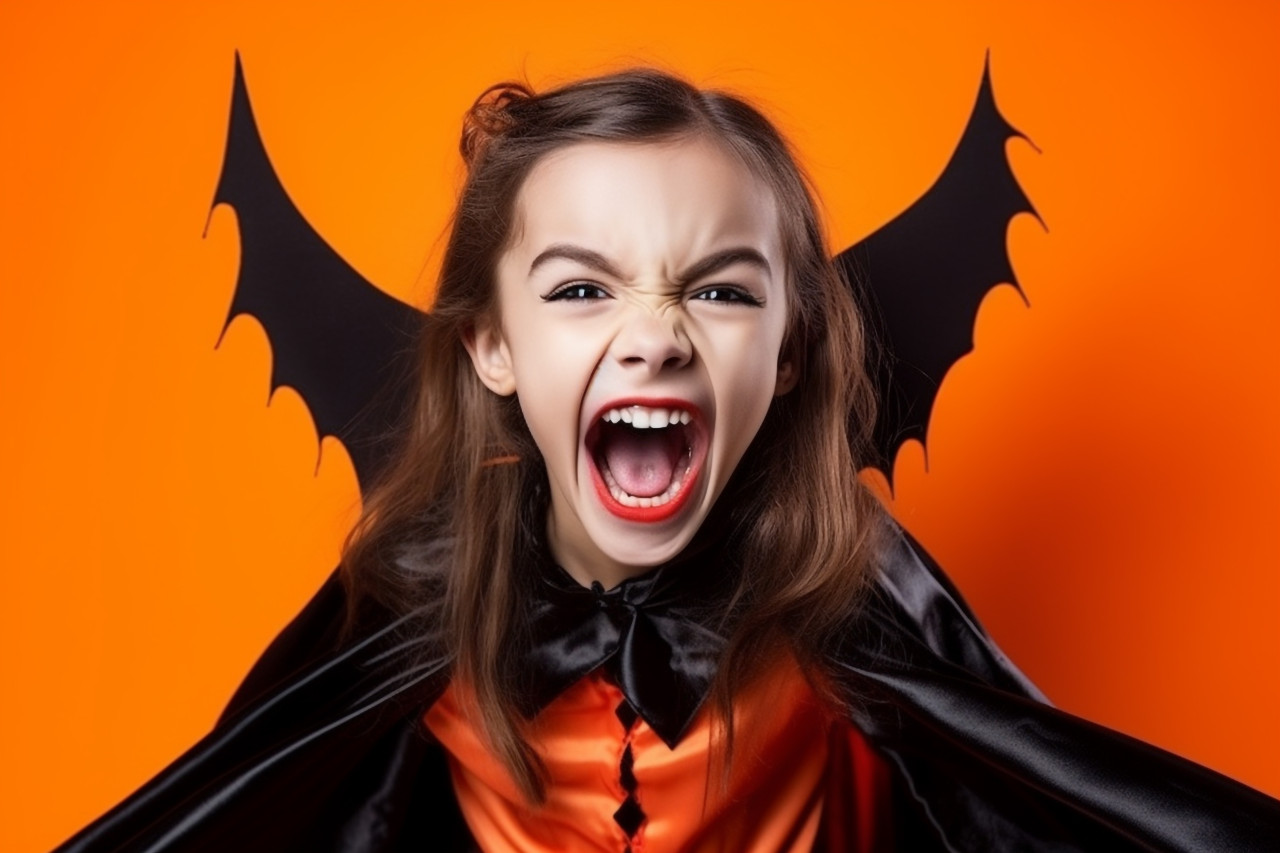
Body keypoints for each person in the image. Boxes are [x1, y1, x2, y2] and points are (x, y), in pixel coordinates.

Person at [58, 69, 1280, 853]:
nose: (654, 332)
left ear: (790, 353)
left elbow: (1053, 803)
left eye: (719, 290)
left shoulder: (867, 606)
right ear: (491, 345)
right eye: (582, 288)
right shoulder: (402, 608)